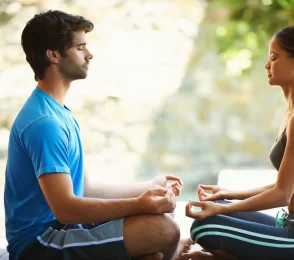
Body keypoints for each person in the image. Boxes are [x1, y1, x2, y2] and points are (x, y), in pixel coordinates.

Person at [4, 10, 192, 260]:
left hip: (63, 230)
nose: (89, 54)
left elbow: (86, 187)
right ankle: (176, 253)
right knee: (162, 229)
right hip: (39, 244)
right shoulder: (44, 123)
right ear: (54, 55)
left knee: (155, 243)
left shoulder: (58, 112)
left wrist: (148, 187)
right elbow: (67, 209)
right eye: (80, 47)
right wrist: (139, 204)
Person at [180, 24, 294, 260]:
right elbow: (282, 186)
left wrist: (223, 208)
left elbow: (282, 195)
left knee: (206, 227)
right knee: (214, 211)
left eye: (274, 57)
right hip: (293, 227)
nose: (267, 64)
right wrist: (228, 194)